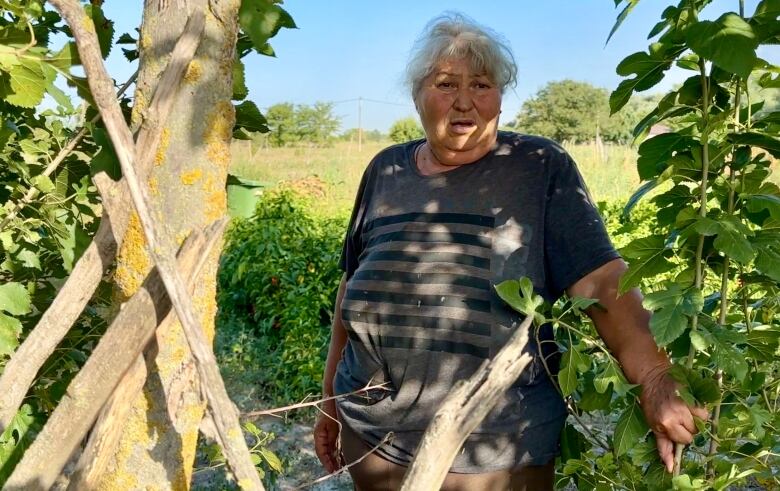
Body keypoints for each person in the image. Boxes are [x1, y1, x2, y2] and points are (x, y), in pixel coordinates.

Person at [314, 12, 707, 491]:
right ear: (417, 94)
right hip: (373, 440)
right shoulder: (385, 172)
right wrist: (329, 402)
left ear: (500, 97)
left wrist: (655, 377)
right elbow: (350, 287)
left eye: (481, 85)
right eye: (446, 84)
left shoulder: (538, 168)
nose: (464, 102)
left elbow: (601, 281)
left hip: (492, 454)